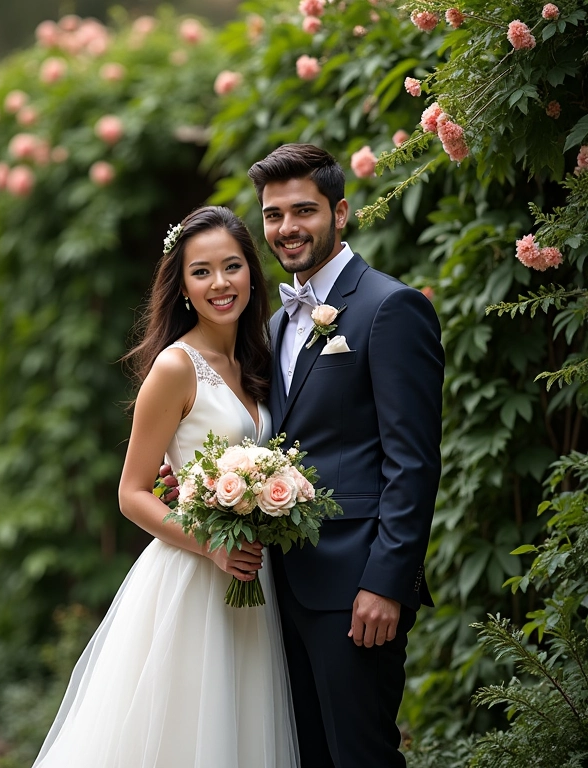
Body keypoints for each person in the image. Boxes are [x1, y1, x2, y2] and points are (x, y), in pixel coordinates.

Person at [31, 206, 300, 768]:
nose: (220, 283)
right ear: (181, 287)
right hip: (194, 579)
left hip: (254, 581)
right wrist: (213, 543)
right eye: (201, 272)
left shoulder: (258, 361)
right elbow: (131, 492)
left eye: (231, 266)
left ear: (252, 272)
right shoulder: (175, 368)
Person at [247, 143, 444, 768]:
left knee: (362, 756)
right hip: (282, 584)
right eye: (273, 215)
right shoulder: (277, 325)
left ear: (342, 211)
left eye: (303, 210)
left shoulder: (391, 307)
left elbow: (413, 463)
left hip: (357, 589)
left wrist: (387, 584)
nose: (287, 228)